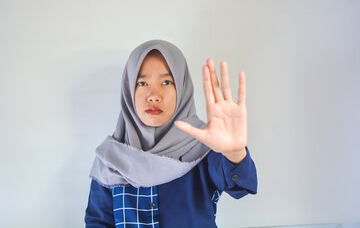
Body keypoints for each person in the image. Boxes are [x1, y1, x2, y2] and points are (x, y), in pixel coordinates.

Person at [85, 40, 257, 228]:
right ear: (128, 90)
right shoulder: (110, 158)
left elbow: (239, 188)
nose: (153, 95)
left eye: (166, 82)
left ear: (182, 88)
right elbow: (98, 222)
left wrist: (234, 153)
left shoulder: (204, 144)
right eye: (142, 83)